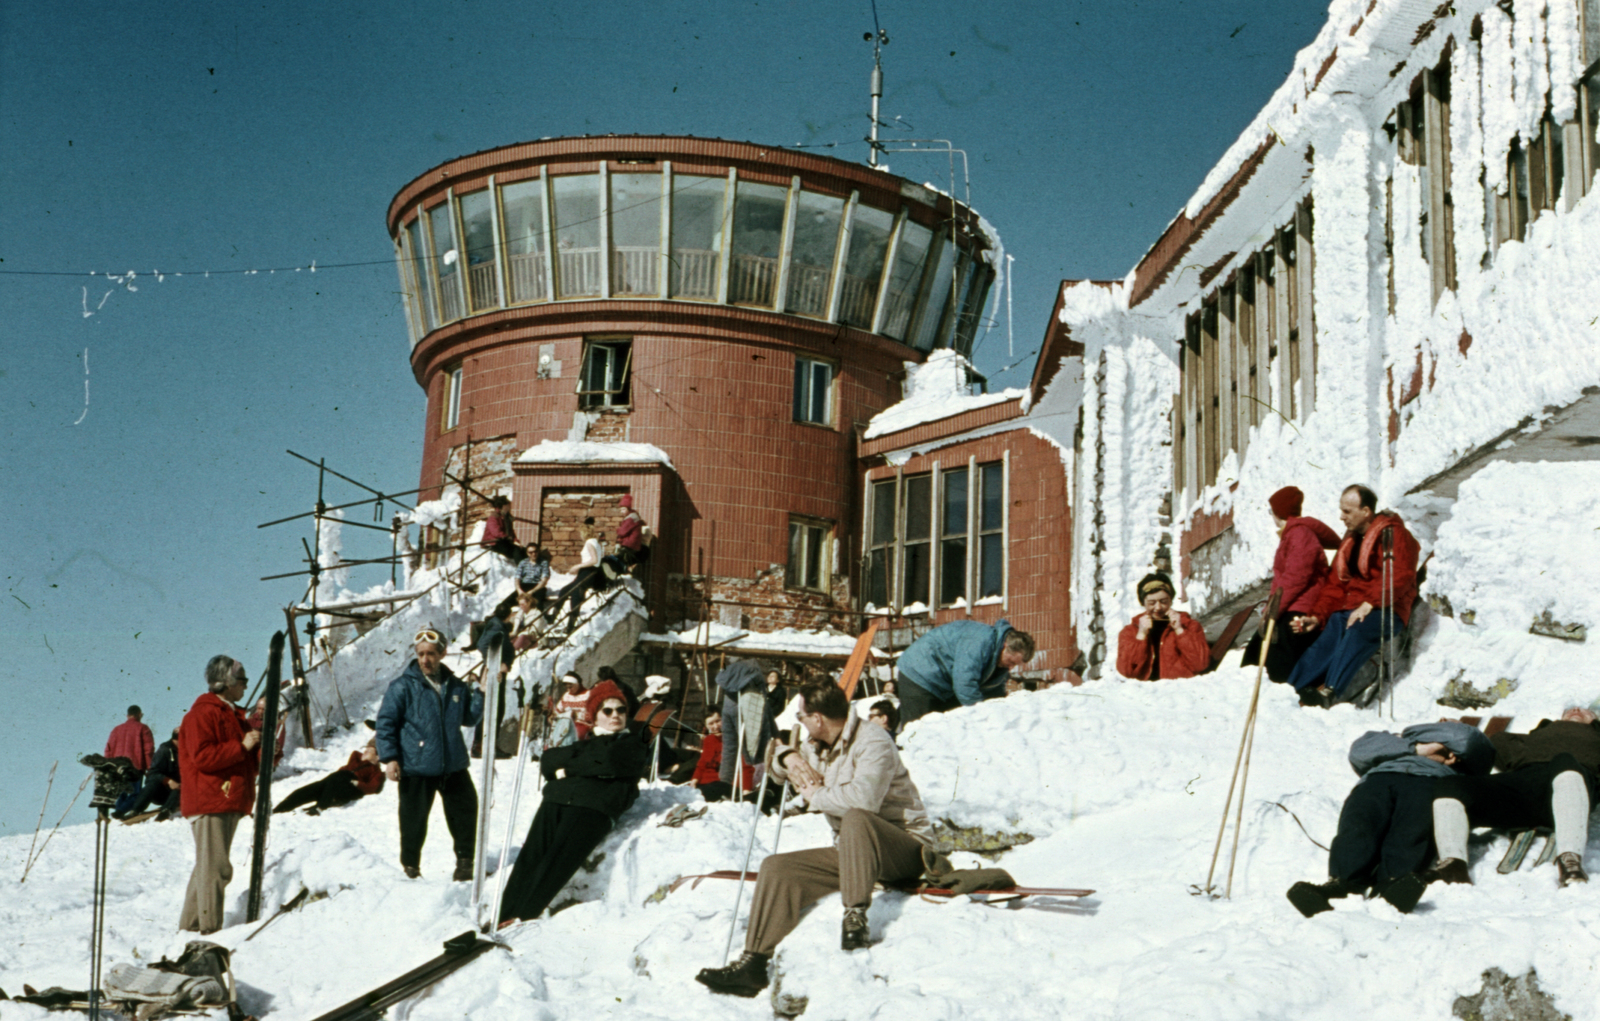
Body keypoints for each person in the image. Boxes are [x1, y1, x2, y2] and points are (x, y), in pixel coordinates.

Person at [695, 680, 933, 997]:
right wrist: (789, 758)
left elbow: (863, 801)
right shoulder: (819, 742)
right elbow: (774, 766)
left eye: (802, 716)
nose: (799, 722)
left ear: (818, 718)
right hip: (855, 852)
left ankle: (855, 915)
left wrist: (817, 795)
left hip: (904, 849)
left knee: (857, 816)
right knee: (777, 868)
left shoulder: (873, 741)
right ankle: (753, 963)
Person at [1286, 721, 1493, 918]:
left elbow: (1467, 741)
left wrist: (1415, 744)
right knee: (1360, 824)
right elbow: (1360, 750)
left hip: (1430, 781)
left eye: (1448, 724)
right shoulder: (1406, 738)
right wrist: (1418, 749)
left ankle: (1394, 883)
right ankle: (1342, 884)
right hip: (1379, 779)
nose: (1446, 722)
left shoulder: (1463, 735)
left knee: (1412, 829)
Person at [497, 680, 651, 926]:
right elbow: (548, 759)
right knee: (531, 855)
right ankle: (502, 914)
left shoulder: (632, 744)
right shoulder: (586, 743)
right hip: (557, 800)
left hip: (593, 806)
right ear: (594, 716)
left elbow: (609, 761)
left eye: (621, 710)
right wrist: (582, 766)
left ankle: (524, 916)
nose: (615, 716)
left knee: (556, 860)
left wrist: (568, 769)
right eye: (607, 711)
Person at [1431, 706, 1600, 888]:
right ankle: (1453, 866)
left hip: (1571, 788)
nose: (1576, 709)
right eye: (1570, 710)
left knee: (1564, 760)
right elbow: (1493, 745)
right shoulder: (1529, 739)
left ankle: (1570, 861)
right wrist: (1462, 730)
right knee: (1451, 784)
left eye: (1585, 711)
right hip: (1520, 786)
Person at [1287, 485, 1420, 707]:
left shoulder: (1393, 534)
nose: (1341, 517)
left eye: (1347, 511)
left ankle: (1329, 692)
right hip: (1354, 608)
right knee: (1334, 626)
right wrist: (1317, 616)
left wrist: (1371, 603)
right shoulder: (1350, 541)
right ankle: (1291, 688)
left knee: (1357, 627)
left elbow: (1399, 574)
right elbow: (1335, 586)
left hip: (1387, 610)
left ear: (1366, 511)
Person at [374, 626, 485, 880]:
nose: (426, 659)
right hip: (417, 767)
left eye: (431, 653)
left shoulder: (455, 685)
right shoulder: (402, 686)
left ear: (442, 653)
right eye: (421, 653)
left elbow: (468, 718)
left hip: (453, 765)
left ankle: (465, 863)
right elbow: (386, 723)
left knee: (465, 813)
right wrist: (390, 758)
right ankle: (411, 868)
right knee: (413, 821)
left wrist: (480, 694)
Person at [177, 656, 261, 934]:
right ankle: (210, 932)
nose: (246, 686)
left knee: (207, 867)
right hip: (211, 800)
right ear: (225, 683)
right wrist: (242, 745)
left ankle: (189, 929)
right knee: (215, 869)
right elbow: (203, 757)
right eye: (242, 680)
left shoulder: (229, 714)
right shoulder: (203, 714)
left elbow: (243, 760)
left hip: (224, 799)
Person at [1240, 487, 1341, 682]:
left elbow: (1296, 578)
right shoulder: (1293, 534)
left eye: (1272, 511)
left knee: (1275, 664)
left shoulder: (1300, 534)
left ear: (1279, 512)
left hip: (1298, 611)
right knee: (1255, 656)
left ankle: (1282, 701)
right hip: (1290, 608)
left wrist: (1273, 610)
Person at [894, 619, 1036, 724]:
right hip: (920, 672)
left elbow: (993, 691)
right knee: (917, 730)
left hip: (942, 683)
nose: (1010, 667)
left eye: (1015, 665)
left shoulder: (999, 662)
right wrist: (983, 716)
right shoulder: (980, 641)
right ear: (1005, 646)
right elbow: (964, 683)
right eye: (1011, 662)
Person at [1116, 573, 1210, 680]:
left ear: (1170, 600)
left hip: (1179, 691)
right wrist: (1141, 635)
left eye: (1163, 601)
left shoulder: (1190, 626)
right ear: (1143, 603)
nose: (1158, 607)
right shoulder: (1130, 631)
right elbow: (1128, 671)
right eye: (1152, 603)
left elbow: (1200, 665)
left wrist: (1180, 630)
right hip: (1145, 692)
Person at [274, 739, 386, 814]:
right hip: (334, 780)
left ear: (377, 757)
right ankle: (277, 811)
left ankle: (320, 807)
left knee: (335, 781)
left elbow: (373, 787)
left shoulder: (376, 771)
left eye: (369, 751)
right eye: (365, 749)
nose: (365, 751)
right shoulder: (356, 759)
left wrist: (358, 783)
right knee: (305, 791)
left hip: (348, 786)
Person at [716, 659, 773, 799]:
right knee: (751, 749)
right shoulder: (752, 670)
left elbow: (730, 747)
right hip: (746, 704)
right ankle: (748, 789)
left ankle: (724, 785)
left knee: (730, 748)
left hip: (729, 704)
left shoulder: (732, 674)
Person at [548, 518, 611, 631]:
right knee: (565, 591)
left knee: (576, 595)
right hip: (588, 572)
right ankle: (553, 617)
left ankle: (570, 625)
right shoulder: (595, 542)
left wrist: (577, 566)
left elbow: (594, 560)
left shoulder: (589, 543)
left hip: (587, 572)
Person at [115, 729, 182, 821]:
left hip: (180, 792)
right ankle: (135, 810)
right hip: (161, 791)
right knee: (152, 784)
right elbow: (153, 774)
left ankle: (166, 812)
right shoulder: (165, 750)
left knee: (180, 788)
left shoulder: (189, 751)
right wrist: (168, 781)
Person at [691, 712, 753, 802]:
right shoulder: (708, 740)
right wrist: (695, 779)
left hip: (726, 784)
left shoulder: (736, 739)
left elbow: (746, 767)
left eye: (718, 721)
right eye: (711, 724)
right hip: (705, 783)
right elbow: (702, 763)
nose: (716, 726)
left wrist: (746, 790)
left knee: (714, 788)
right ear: (706, 726)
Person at [105, 705, 155, 775]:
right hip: (135, 768)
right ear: (140, 714)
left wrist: (108, 767)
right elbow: (148, 750)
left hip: (117, 768)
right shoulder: (143, 728)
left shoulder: (116, 730)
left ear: (127, 716)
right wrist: (150, 767)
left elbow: (108, 750)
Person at [613, 494, 652, 573]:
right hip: (633, 545)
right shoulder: (633, 517)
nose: (622, 511)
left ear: (628, 508)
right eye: (621, 510)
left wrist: (617, 530)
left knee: (618, 559)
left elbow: (623, 532)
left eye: (623, 509)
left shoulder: (631, 518)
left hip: (630, 544)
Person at [480, 496, 523, 563]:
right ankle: (521, 571)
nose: (509, 508)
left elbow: (511, 532)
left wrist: (515, 540)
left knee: (523, 550)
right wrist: (509, 538)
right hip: (493, 543)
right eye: (507, 506)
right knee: (516, 550)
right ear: (502, 506)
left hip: (503, 541)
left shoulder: (506, 518)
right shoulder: (494, 517)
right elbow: (496, 532)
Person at [515, 545, 552, 610]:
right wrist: (519, 590)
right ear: (527, 553)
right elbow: (517, 577)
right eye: (531, 552)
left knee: (538, 604)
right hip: (524, 585)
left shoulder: (543, 562)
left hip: (537, 587)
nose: (533, 554)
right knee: (508, 602)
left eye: (535, 552)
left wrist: (532, 591)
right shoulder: (523, 562)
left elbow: (544, 580)